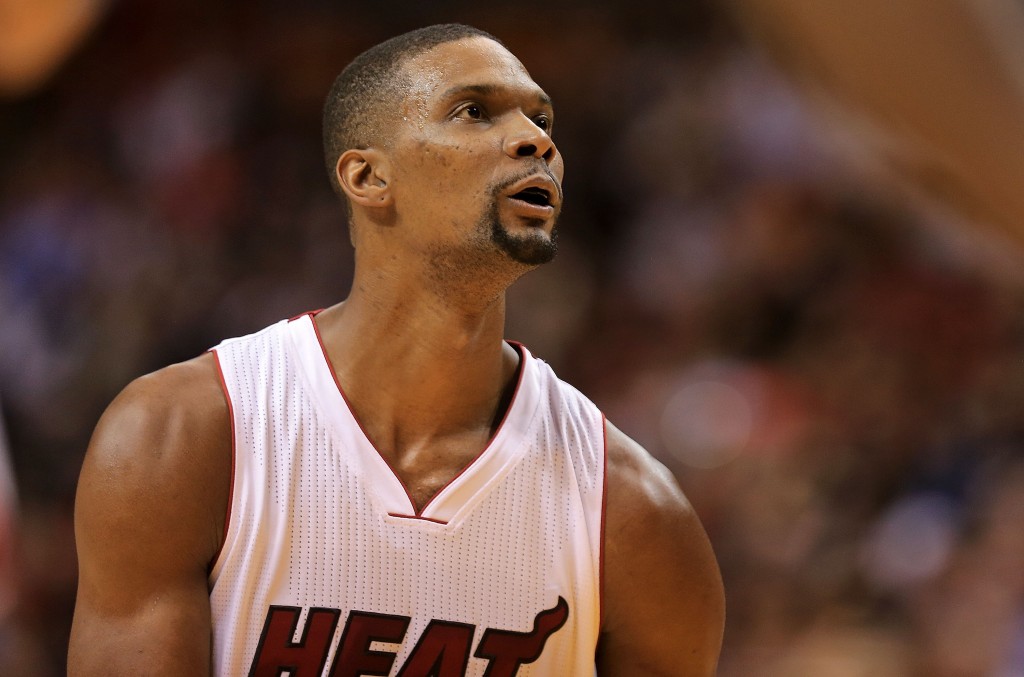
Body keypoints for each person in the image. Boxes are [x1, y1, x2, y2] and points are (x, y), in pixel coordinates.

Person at [68, 23, 725, 676]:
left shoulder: (633, 513)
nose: (537, 140)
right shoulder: (183, 437)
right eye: (474, 112)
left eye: (542, 117)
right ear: (368, 176)